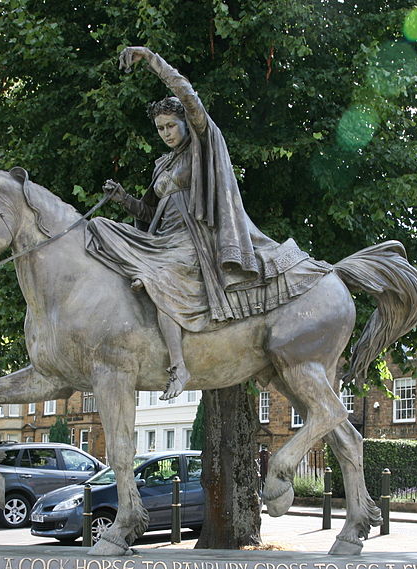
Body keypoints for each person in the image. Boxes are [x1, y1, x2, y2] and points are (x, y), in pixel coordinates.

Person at [87, 46, 327, 400]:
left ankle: (179, 367)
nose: (167, 133)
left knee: (157, 278)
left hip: (192, 240)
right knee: (102, 228)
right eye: (161, 128)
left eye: (171, 125)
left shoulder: (202, 143)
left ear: (186, 122)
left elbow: (186, 91)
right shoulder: (162, 165)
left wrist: (151, 59)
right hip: (161, 238)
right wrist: (123, 198)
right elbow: (148, 214)